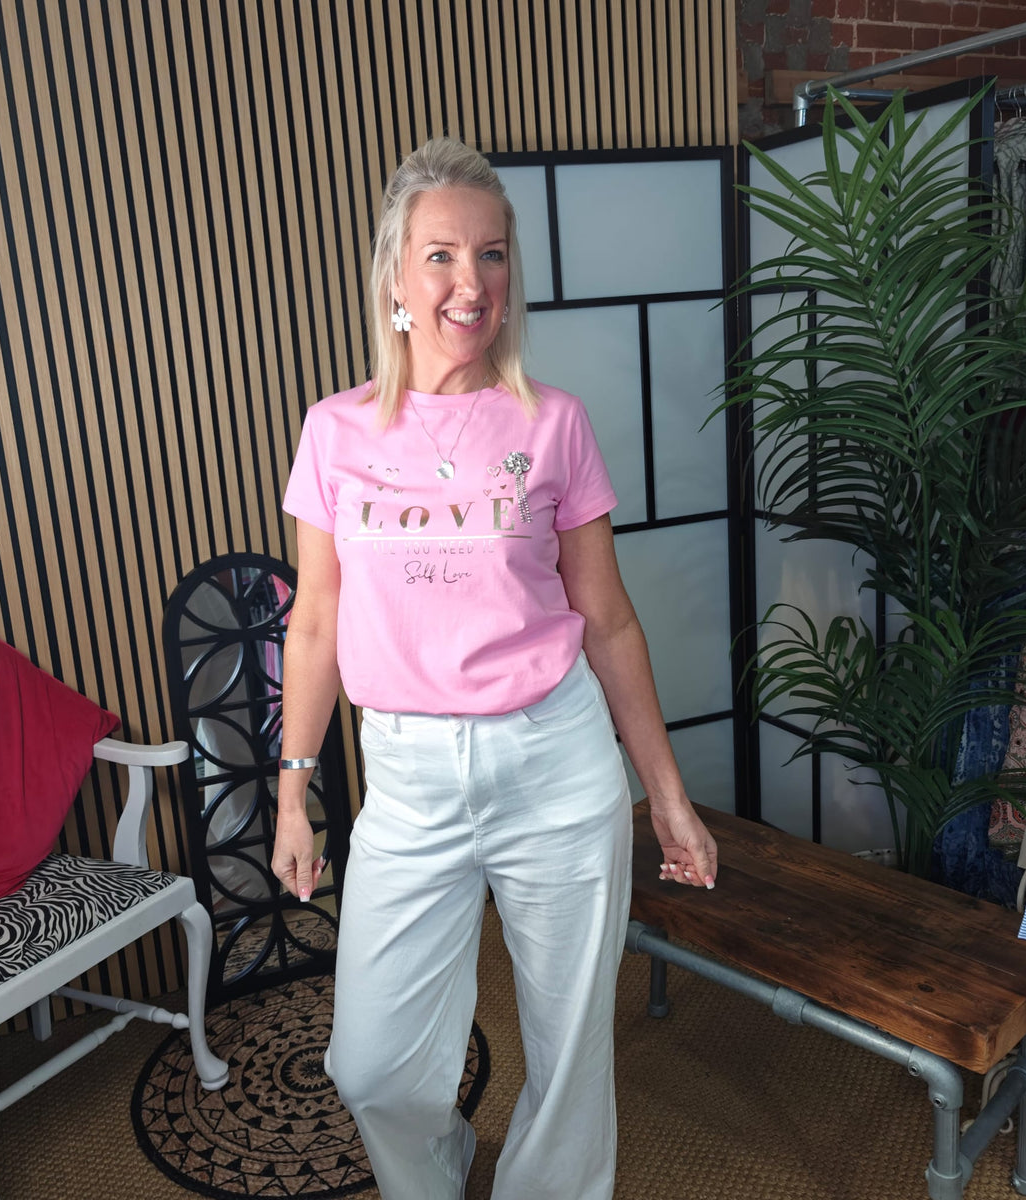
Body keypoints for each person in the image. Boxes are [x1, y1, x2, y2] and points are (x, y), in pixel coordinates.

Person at [273, 136, 717, 1200]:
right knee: (371, 1064)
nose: (471, 284)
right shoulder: (334, 433)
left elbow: (607, 622)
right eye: (440, 256)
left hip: (554, 762)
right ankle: (438, 1171)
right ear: (393, 277)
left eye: (493, 254)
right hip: (410, 779)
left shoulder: (551, 424)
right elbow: (316, 627)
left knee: (569, 1054)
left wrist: (668, 798)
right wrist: (293, 794)